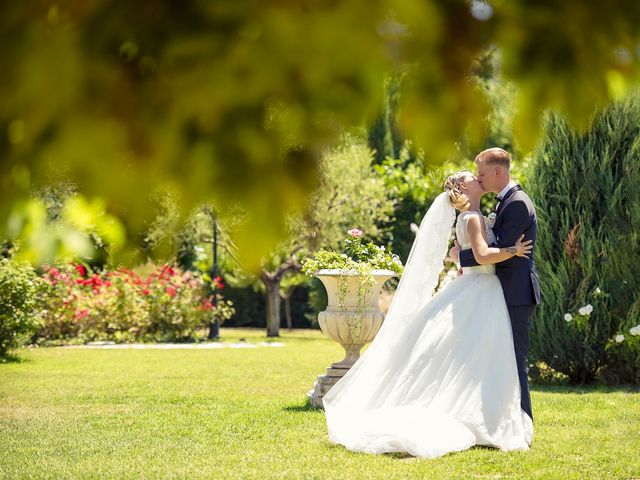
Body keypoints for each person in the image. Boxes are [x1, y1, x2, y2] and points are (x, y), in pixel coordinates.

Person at [322, 168, 534, 459]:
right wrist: (513, 250)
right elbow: (483, 255)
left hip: (475, 286)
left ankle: (481, 413)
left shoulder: (468, 217)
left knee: (471, 356)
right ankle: (483, 417)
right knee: (482, 353)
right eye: (472, 177)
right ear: (463, 187)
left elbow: (460, 253)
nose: (477, 177)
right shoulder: (472, 218)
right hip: (482, 287)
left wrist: (460, 256)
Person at [450, 147, 540, 420]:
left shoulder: (516, 203)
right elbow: (494, 249)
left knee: (514, 359)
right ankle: (501, 417)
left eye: (482, 173)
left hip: (515, 293)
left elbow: (495, 249)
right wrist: (460, 255)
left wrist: (459, 256)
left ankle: (523, 421)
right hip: (497, 291)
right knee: (500, 358)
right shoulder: (503, 202)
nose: (480, 179)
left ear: (497, 171)